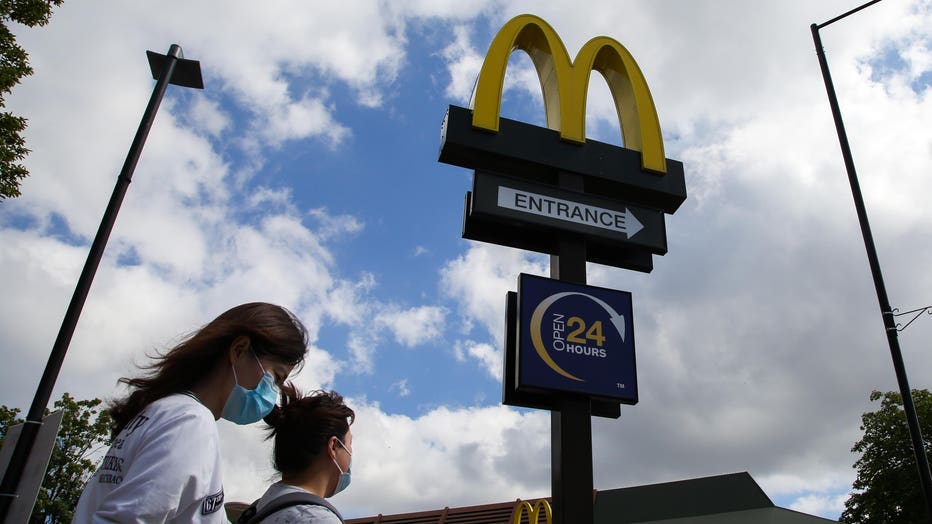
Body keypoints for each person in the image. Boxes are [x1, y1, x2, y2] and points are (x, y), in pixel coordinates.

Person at [72, 302, 308, 523]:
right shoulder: (190, 423)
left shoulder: (164, 412)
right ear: (239, 350)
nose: (272, 392)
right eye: (275, 376)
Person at [237, 388, 355, 523]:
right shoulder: (317, 519)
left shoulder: (257, 509)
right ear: (333, 446)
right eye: (349, 444)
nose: (350, 452)